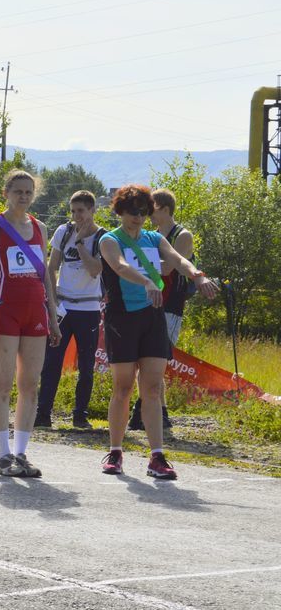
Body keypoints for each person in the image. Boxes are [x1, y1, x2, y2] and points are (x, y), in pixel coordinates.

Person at [97, 184, 216, 479]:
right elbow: (121, 266)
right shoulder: (110, 240)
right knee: (123, 387)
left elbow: (176, 259)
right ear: (120, 212)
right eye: (131, 211)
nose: (137, 217)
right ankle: (115, 451)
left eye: (142, 212)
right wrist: (148, 282)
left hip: (153, 317)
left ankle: (157, 457)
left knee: (151, 388)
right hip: (122, 317)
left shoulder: (153, 238)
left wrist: (197, 275)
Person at [0, 170, 62, 477]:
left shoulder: (40, 227)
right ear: (7, 193)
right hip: (4, 312)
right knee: (3, 385)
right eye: (18, 192)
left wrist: (53, 317)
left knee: (29, 385)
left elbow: (46, 278)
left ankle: (21, 453)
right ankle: (2, 455)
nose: (23, 197)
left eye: (28, 192)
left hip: (35, 315)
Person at [35, 190, 106, 430]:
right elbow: (52, 266)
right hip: (63, 307)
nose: (76, 216)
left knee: (86, 366)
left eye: (81, 211)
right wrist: (52, 301)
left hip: (88, 308)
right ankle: (43, 413)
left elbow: (95, 269)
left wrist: (80, 243)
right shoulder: (63, 232)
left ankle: (80, 415)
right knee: (52, 362)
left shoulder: (102, 237)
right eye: (73, 211)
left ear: (92, 211)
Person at [127, 188, 193, 431]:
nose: (147, 215)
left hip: (171, 304)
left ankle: (153, 411)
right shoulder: (152, 235)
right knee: (143, 357)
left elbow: (169, 268)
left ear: (165, 209)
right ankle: (151, 411)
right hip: (148, 300)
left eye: (151, 210)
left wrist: (141, 263)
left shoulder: (182, 235)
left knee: (158, 357)